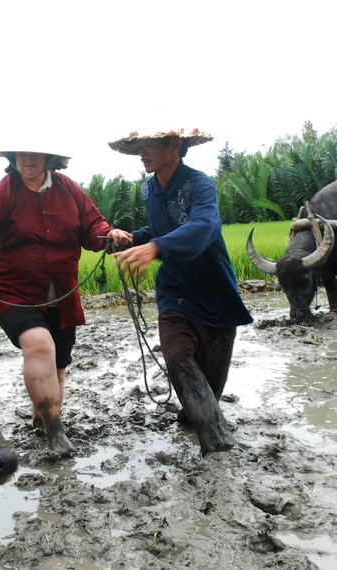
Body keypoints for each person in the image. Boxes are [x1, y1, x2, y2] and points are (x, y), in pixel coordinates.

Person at [0, 146, 129, 455]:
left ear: (50, 159)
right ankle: (55, 432)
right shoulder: (5, 192)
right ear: (12, 159)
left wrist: (109, 234)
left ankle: (43, 419)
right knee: (39, 345)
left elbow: (93, 225)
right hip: (14, 292)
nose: (27, 161)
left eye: (35, 155)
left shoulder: (68, 190)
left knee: (58, 367)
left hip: (61, 295)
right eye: (21, 155)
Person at [108, 127, 253, 456]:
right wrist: (134, 239)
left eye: (148, 145)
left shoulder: (199, 184)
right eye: (138, 146)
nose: (141, 153)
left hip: (214, 292)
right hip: (175, 291)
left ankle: (196, 419)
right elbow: (160, 229)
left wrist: (156, 247)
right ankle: (218, 447)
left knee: (208, 392)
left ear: (174, 144)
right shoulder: (148, 189)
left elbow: (203, 227)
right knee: (178, 359)